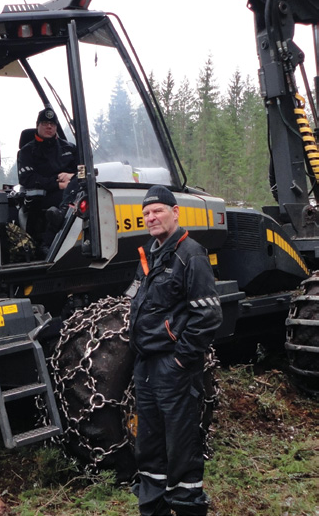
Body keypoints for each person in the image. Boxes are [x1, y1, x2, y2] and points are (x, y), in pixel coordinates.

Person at [127, 185, 222, 516]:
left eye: (158, 211)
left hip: (173, 366)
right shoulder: (147, 255)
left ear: (175, 212)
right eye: (146, 213)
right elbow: (135, 301)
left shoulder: (190, 254)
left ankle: (186, 507)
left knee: (181, 445)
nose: (151, 217)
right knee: (149, 444)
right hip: (147, 366)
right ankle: (152, 508)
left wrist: (181, 359)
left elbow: (208, 315)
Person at [16, 107, 78, 252]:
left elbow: (85, 170)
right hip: (45, 194)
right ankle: (47, 244)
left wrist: (71, 176)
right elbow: (27, 179)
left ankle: (58, 225)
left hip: (73, 190)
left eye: (52, 124)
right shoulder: (27, 151)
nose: (49, 126)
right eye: (44, 123)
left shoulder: (69, 148)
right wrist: (58, 184)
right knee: (62, 202)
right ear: (38, 125)